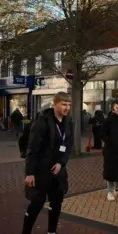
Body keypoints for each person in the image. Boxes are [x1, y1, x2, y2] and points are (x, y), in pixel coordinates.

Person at [22, 92, 73, 234]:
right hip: (41, 171)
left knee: (56, 203)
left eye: (69, 105)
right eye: (63, 104)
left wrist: (61, 163)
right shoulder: (42, 121)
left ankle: (51, 232)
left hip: (58, 172)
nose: (66, 108)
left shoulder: (68, 122)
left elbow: (68, 146)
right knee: (37, 204)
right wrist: (30, 173)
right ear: (55, 104)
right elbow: (32, 148)